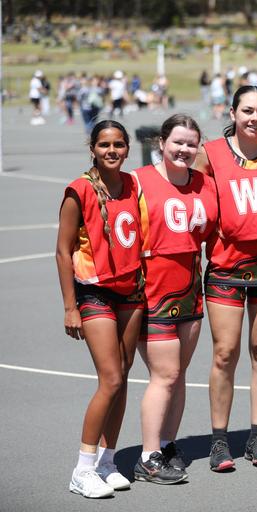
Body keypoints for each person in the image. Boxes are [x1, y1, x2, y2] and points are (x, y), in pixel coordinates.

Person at [194, 85, 257, 471]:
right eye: (247, 110)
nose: (254, 118)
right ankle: (219, 440)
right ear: (233, 112)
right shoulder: (211, 154)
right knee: (224, 353)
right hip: (226, 268)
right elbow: (191, 201)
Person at [56, 120, 144, 498]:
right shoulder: (79, 190)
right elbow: (63, 252)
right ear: (92, 148)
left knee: (122, 377)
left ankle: (107, 462)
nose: (112, 150)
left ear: (127, 149)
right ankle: (82, 468)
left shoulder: (133, 184)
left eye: (119, 144)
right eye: (105, 144)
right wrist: (69, 307)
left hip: (131, 292)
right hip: (95, 293)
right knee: (110, 378)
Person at [133, 114, 218, 484]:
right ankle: (148, 456)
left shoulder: (205, 184)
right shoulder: (138, 182)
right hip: (150, 292)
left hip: (190, 292)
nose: (184, 149)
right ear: (161, 143)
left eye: (191, 144)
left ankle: (167, 444)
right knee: (164, 374)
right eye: (177, 142)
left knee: (178, 374)